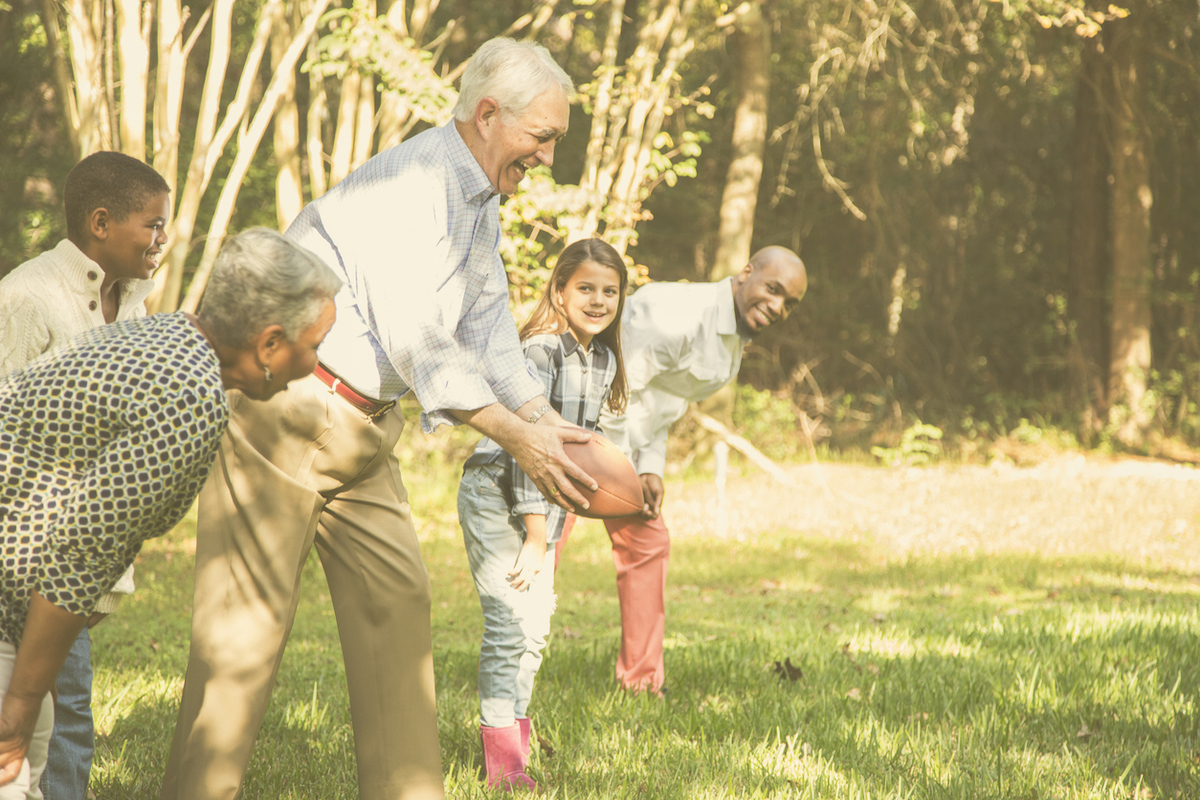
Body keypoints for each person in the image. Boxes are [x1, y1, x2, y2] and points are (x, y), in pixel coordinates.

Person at [160, 37, 597, 800]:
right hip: (286, 416)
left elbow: (489, 325)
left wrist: (541, 416)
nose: (549, 157)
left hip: (363, 430)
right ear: (488, 114)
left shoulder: (479, 202)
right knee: (242, 637)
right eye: (543, 136)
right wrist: (515, 436)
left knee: (397, 605)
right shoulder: (413, 183)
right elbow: (418, 338)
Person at [0, 227, 340, 797]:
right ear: (270, 344)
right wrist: (20, 707)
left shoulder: (168, 337)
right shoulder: (188, 399)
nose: (319, 361)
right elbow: (77, 558)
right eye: (317, 343)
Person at [557, 246, 808, 694]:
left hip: (622, 444)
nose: (777, 307)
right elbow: (615, 385)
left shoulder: (732, 335)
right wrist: (617, 467)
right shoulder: (677, 313)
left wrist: (650, 467)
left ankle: (642, 682)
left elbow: (661, 397)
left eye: (789, 303)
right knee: (543, 548)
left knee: (648, 539)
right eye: (773, 290)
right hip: (572, 433)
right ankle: (513, 655)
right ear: (746, 271)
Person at [0, 150, 169, 800]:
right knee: (29, 721)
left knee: (70, 713)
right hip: (23, 559)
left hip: (83, 556)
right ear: (101, 222)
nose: (161, 240)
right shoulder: (27, 296)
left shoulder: (132, 305)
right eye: (151, 225)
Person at [458, 238, 628, 790]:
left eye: (610, 291)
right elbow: (528, 447)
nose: (598, 301)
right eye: (585, 289)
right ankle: (503, 770)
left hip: (545, 505)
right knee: (509, 626)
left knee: (535, 630)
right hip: (497, 493)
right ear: (560, 291)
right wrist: (536, 537)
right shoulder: (539, 350)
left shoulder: (601, 358)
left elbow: (582, 448)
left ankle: (516, 755)